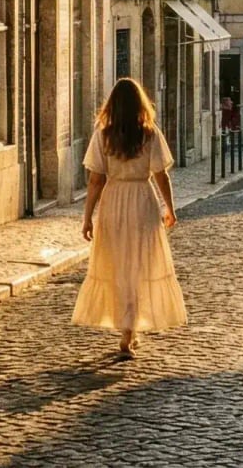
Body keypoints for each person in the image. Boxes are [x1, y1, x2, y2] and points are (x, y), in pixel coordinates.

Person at [74, 78, 188, 358]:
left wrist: (87, 217)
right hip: (142, 201)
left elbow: (95, 181)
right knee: (139, 266)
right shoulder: (149, 134)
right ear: (140, 104)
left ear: (112, 104)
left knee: (118, 266)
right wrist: (170, 208)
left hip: (113, 201)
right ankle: (129, 331)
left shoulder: (103, 135)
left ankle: (126, 326)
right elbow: (161, 175)